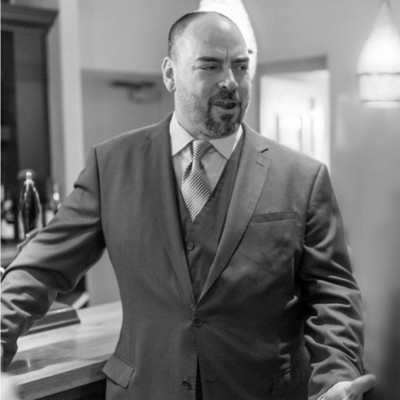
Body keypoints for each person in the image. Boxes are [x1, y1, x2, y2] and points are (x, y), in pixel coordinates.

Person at [1, 11, 375, 400]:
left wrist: (336, 376)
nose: (230, 81)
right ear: (170, 74)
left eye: (240, 66)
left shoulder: (303, 176)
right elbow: (43, 266)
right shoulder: (111, 164)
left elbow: (333, 293)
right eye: (210, 66)